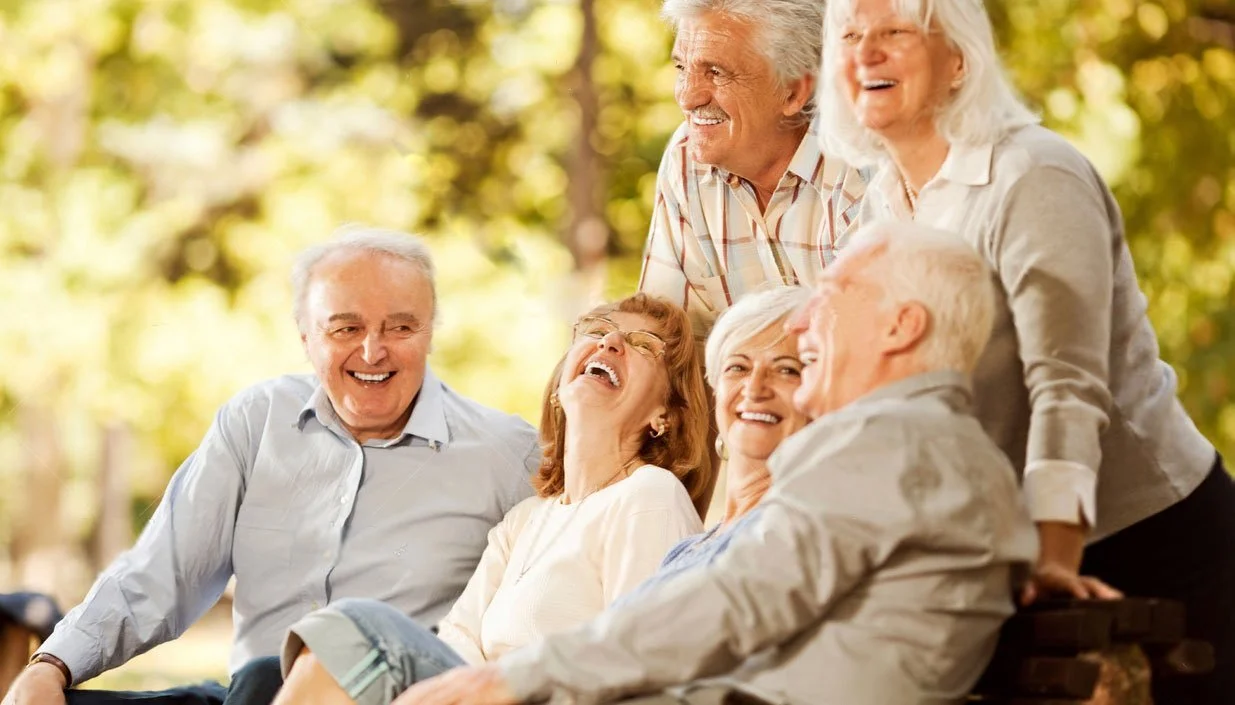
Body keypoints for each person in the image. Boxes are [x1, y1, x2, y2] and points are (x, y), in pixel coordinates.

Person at [389, 223, 1039, 705]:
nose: (808, 319)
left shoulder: (893, 444)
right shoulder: (940, 452)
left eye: (834, 293)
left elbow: (741, 598)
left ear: (900, 326)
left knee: (368, 643)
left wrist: (519, 674)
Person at [816, 1, 1235, 701]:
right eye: (850, 37)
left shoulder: (1033, 175)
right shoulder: (878, 208)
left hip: (1148, 540)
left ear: (957, 61)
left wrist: (1054, 559)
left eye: (893, 33)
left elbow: (1067, 386)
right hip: (1010, 559)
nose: (866, 53)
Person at [1, 227, 541, 705]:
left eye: (400, 328)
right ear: (306, 338)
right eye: (346, 329)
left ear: (430, 332)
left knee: (266, 675)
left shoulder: (509, 455)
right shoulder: (257, 420)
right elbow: (161, 572)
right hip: (245, 696)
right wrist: (51, 665)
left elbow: (558, 600)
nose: (374, 352)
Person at [265, 293, 712, 705]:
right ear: (560, 382)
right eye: (596, 331)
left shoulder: (649, 497)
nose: (611, 342)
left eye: (642, 344)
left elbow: (645, 675)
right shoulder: (525, 520)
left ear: (665, 415)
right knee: (263, 677)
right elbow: (458, 643)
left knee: (355, 629)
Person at [637, 0, 867, 350]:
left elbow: (872, 364)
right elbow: (669, 352)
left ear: (793, 90)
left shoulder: (861, 169)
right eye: (683, 68)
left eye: (715, 72)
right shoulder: (687, 161)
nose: (687, 96)